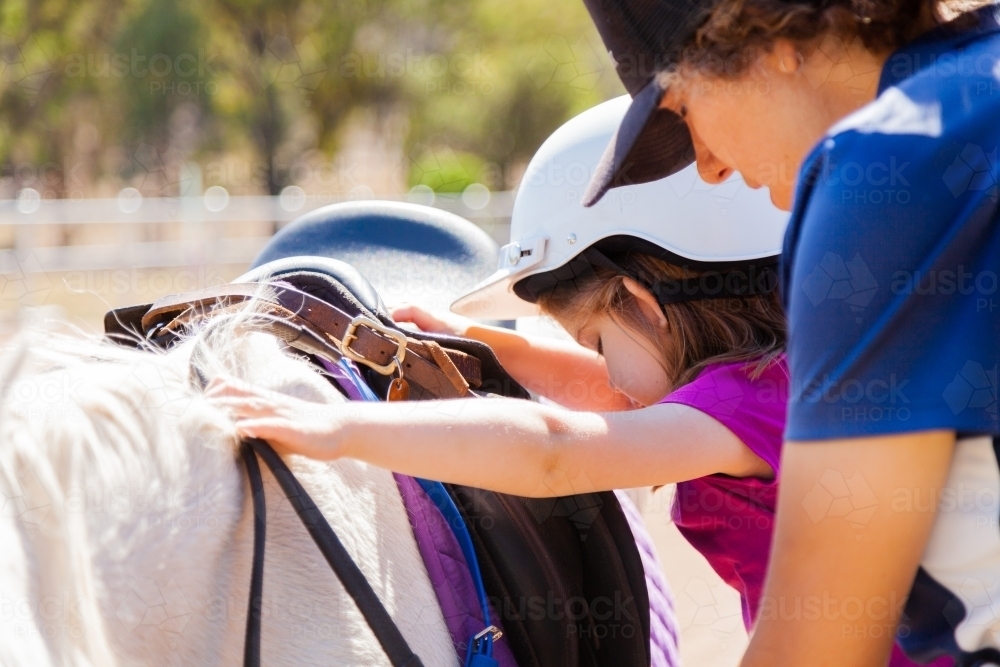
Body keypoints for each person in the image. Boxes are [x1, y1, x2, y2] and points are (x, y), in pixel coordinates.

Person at [207, 95, 797, 641]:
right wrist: (479, 340)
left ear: (644, 305)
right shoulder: (776, 382)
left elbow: (554, 455)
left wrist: (342, 430)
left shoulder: (745, 405)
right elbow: (621, 396)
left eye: (596, 342)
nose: (606, 372)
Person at [575, 0, 1000, 664]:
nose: (708, 166)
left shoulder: (881, 173)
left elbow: (819, 644)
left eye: (686, 110)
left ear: (764, 35)